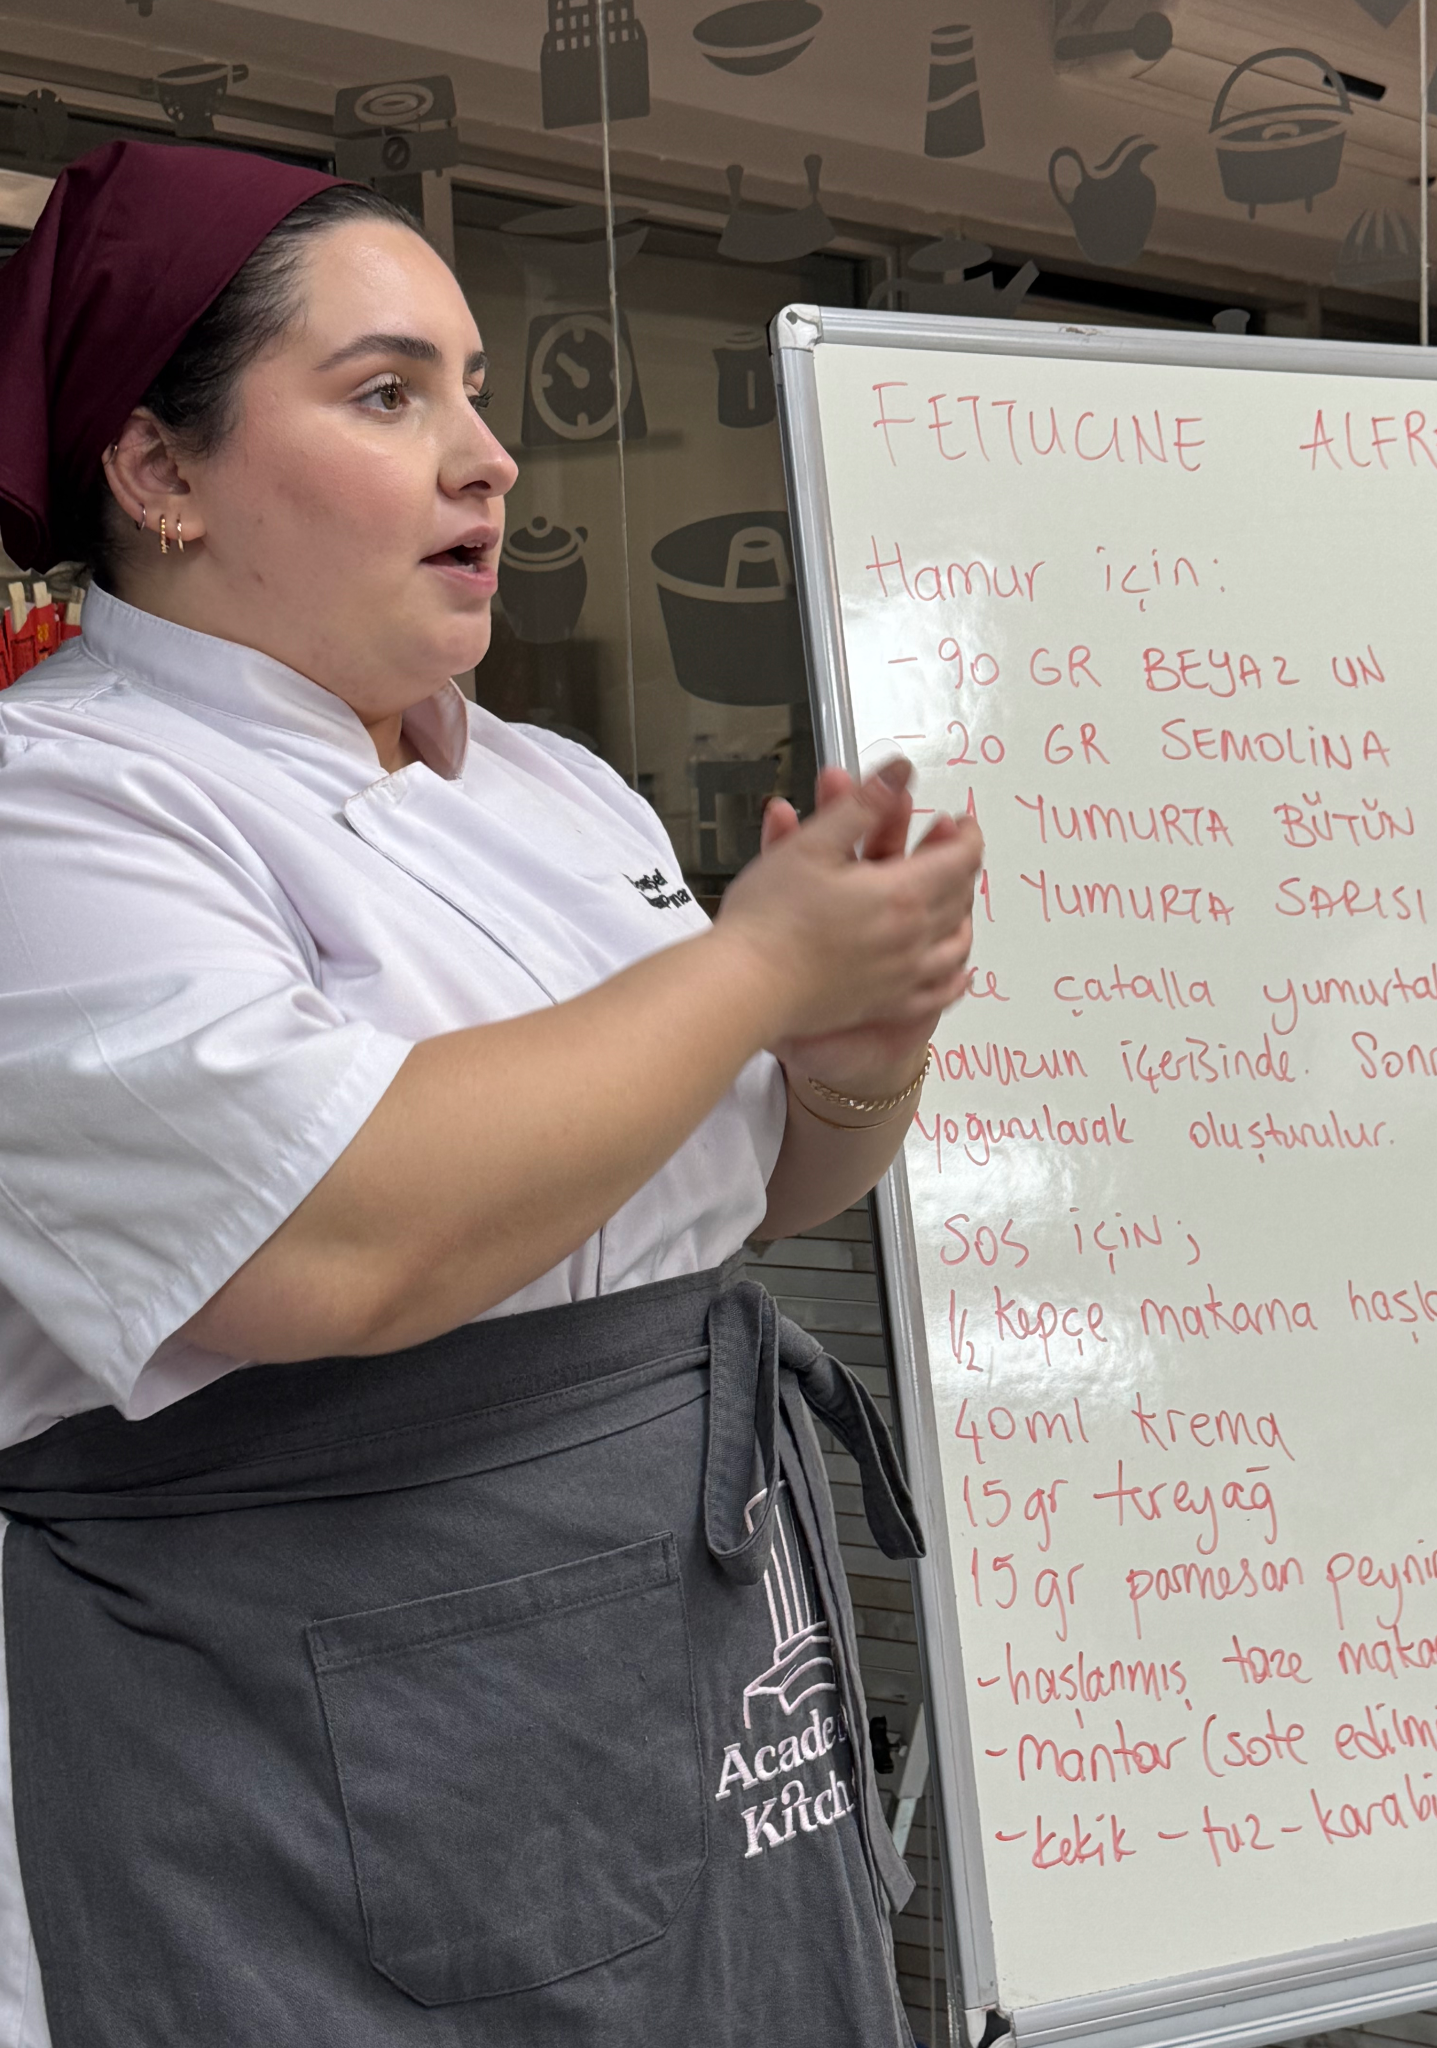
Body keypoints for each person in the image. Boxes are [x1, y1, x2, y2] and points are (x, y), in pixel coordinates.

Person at [0, 140, 982, 2045]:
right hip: (282, 1748)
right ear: (158, 472)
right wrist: (752, 971)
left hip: (682, 1678)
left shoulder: (551, 789)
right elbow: (331, 1242)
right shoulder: (63, 806)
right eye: (387, 395)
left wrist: (848, 1070)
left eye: (472, 389)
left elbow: (724, 1198)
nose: (488, 458)